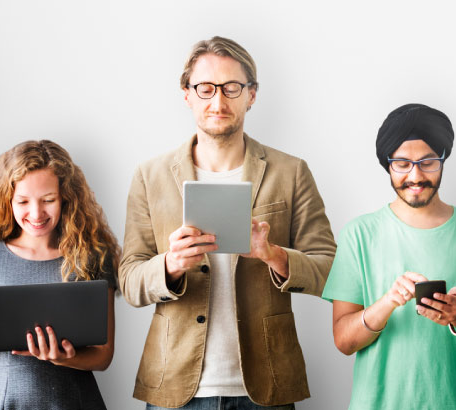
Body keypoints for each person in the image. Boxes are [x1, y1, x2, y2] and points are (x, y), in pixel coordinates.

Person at [118, 36, 337, 409]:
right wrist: (170, 266)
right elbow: (129, 280)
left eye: (231, 88)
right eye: (205, 88)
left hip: (266, 385)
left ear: (251, 94)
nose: (218, 102)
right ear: (186, 94)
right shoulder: (149, 176)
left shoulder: (291, 172)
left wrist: (273, 256)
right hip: (174, 385)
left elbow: (331, 268)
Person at [324, 103, 456, 410]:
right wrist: (387, 303)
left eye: (427, 162)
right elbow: (344, 341)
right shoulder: (359, 234)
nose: (415, 175)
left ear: (443, 160)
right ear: (388, 165)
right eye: (402, 163)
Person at [0, 140, 119, 409]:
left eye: (48, 200)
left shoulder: (93, 256)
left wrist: (64, 358)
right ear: (8, 199)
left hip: (74, 402)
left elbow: (103, 356)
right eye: (23, 201)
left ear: (66, 196)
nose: (36, 213)